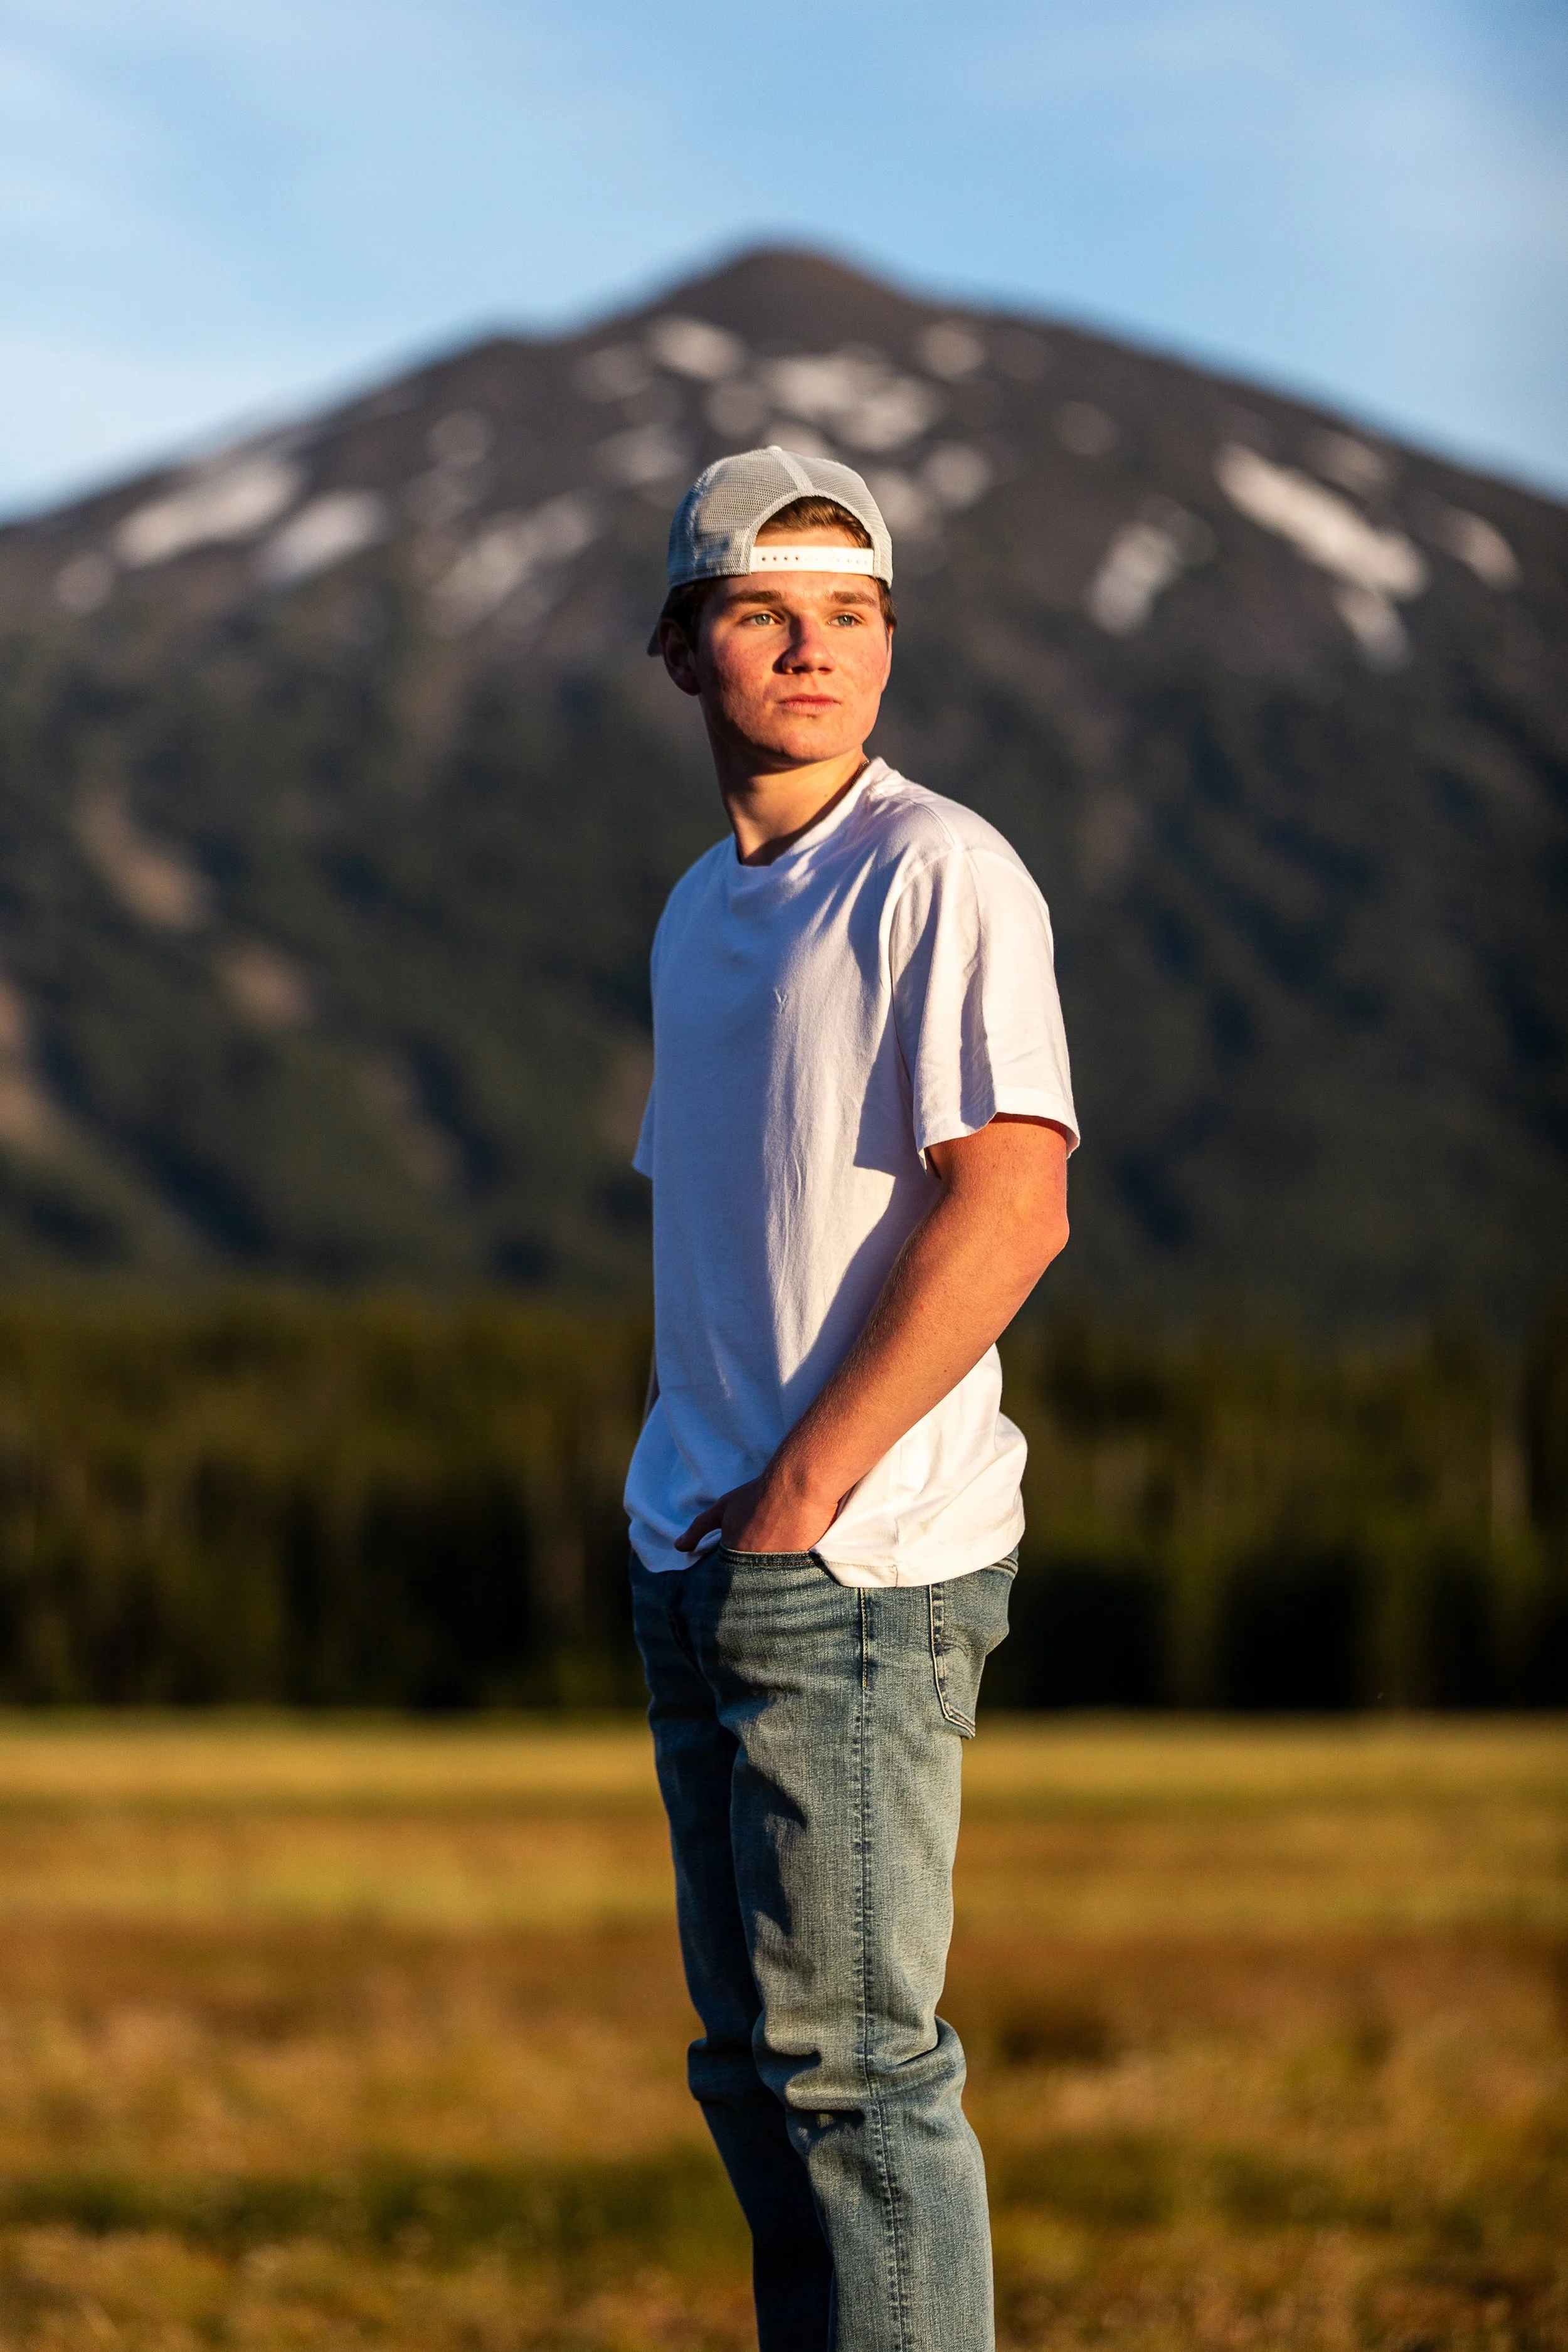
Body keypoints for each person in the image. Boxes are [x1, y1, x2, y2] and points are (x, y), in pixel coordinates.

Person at [625, 445, 1078, 2352]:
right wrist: (701, 1509)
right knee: (755, 2076)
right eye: (763, 614)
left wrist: (806, 1491)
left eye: (853, 618)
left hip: (860, 1567)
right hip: (704, 1543)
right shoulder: (700, 909)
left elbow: (1016, 1198)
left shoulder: (936, 867)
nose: (812, 654)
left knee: (861, 2087)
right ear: (684, 649)